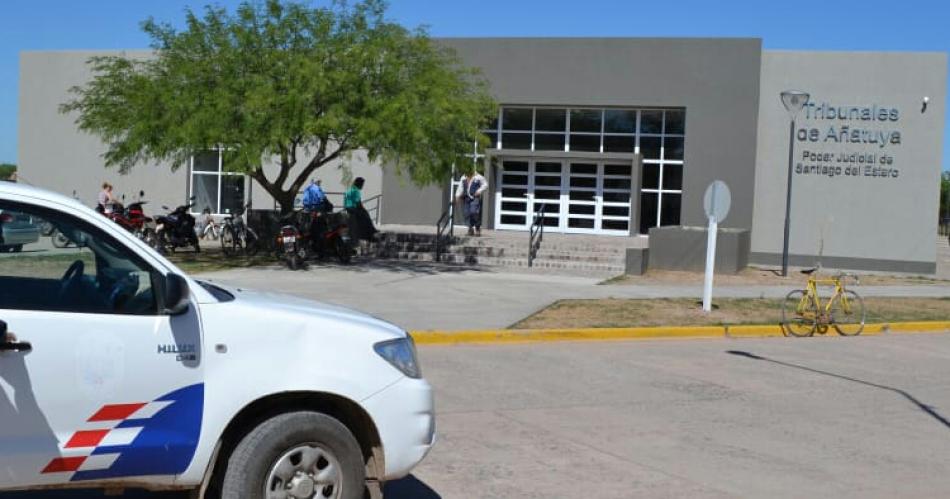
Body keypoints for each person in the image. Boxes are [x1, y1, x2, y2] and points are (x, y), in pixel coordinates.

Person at [455, 168, 488, 236]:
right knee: (466, 213)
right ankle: (470, 229)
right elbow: (460, 187)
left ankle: (477, 228)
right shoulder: (463, 177)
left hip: (475, 197)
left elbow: (485, 185)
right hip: (466, 198)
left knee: (474, 212)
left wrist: (479, 191)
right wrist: (457, 196)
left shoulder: (478, 177)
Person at [344, 177, 378, 241]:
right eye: (362, 184)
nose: (362, 186)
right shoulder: (356, 191)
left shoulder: (350, 189)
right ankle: (371, 233)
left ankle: (371, 231)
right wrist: (364, 210)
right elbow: (358, 203)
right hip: (353, 208)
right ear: (359, 184)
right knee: (366, 216)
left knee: (364, 214)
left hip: (348, 208)